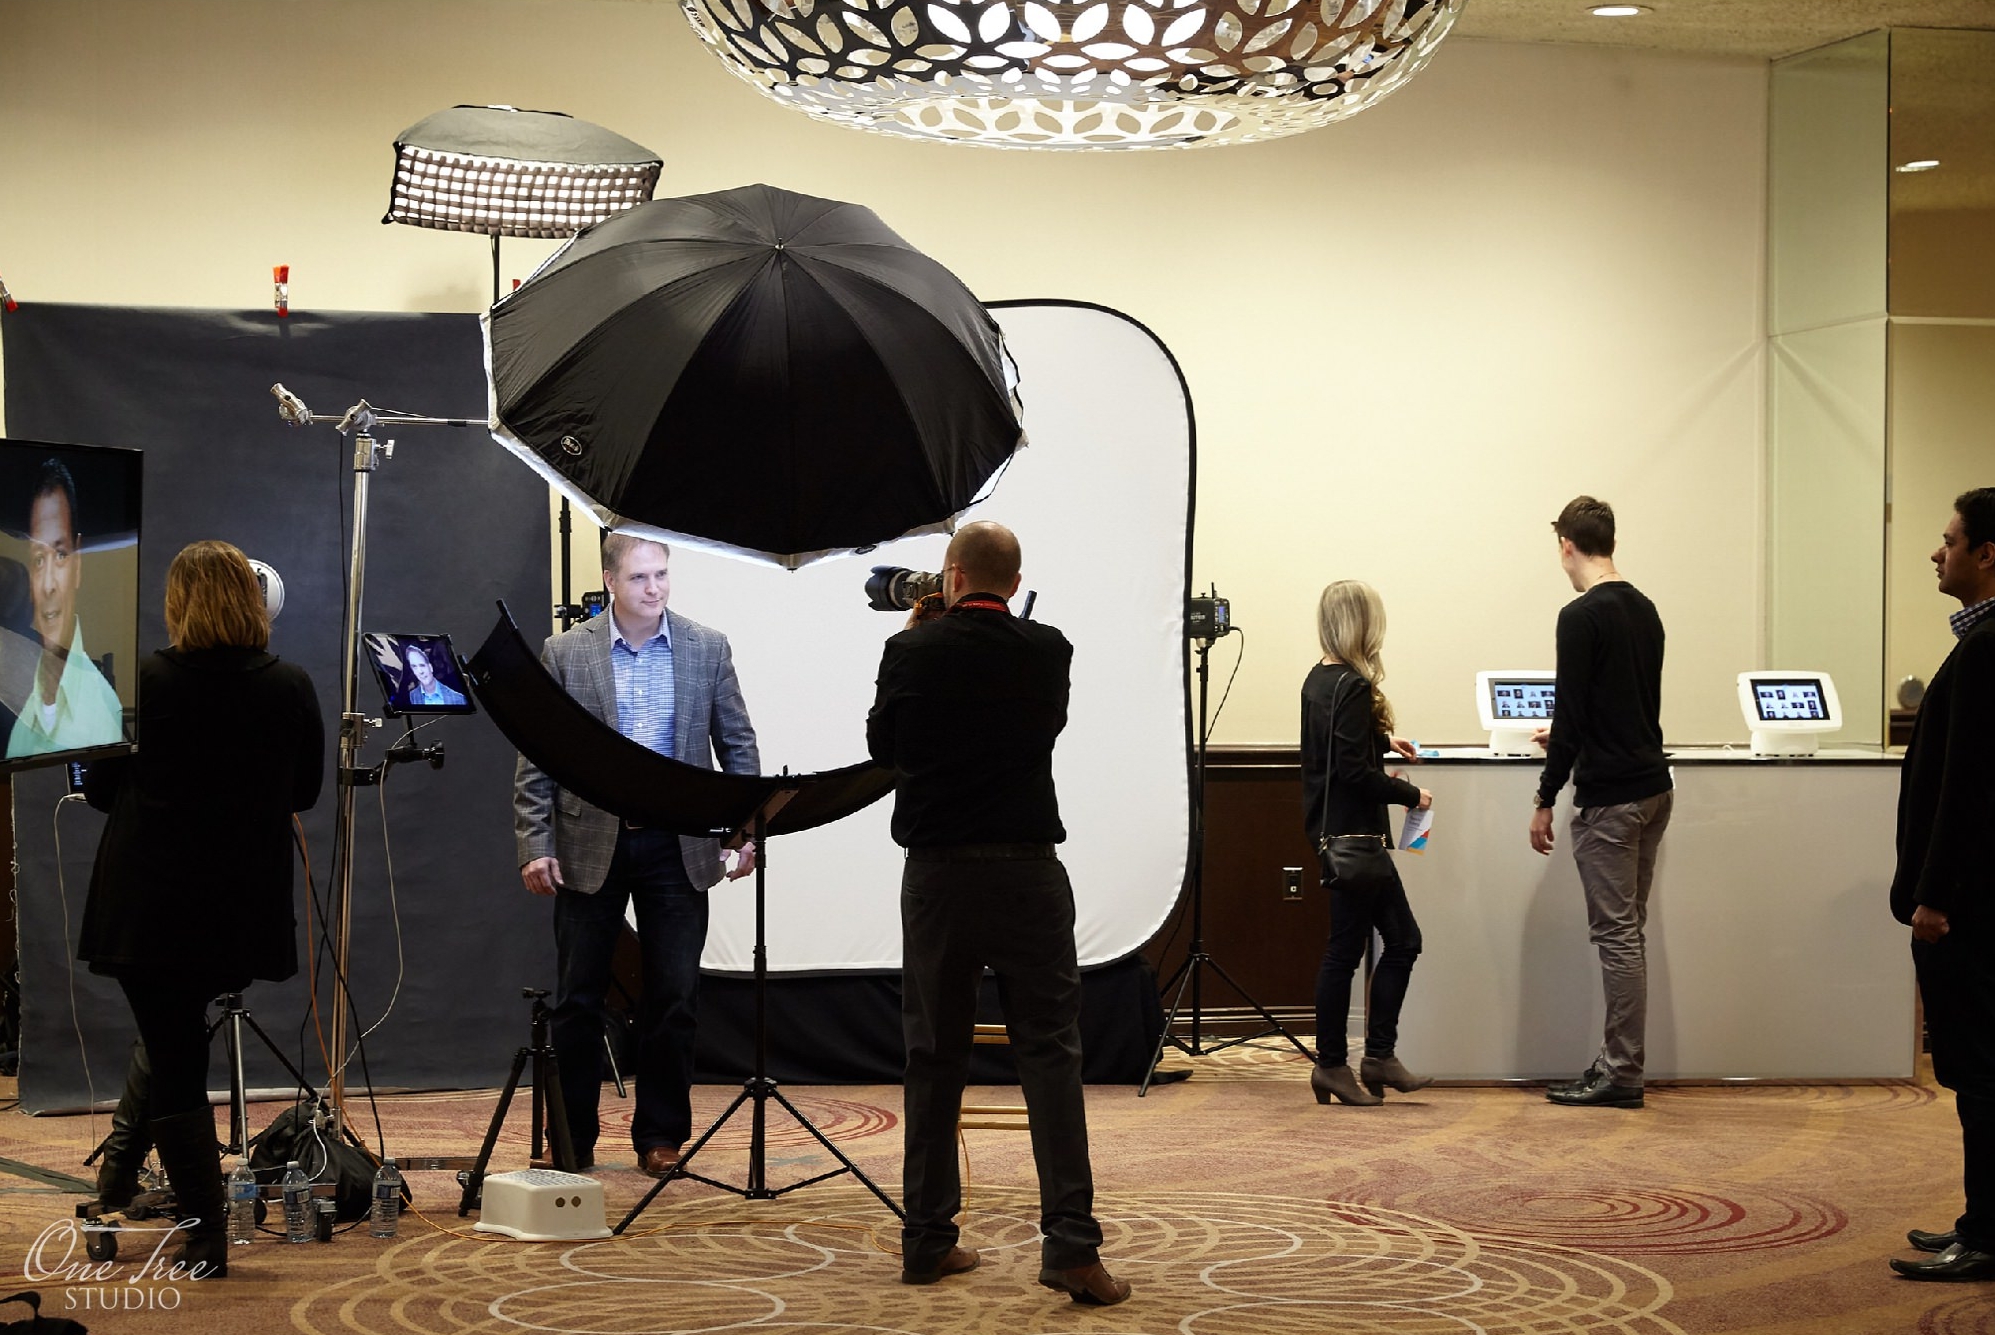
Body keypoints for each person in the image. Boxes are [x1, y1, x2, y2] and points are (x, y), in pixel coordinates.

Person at [866, 520, 1129, 1306]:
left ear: (948, 577)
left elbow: (888, 746)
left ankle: (925, 1240)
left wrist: (924, 631)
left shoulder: (911, 651)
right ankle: (1073, 1250)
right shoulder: (1048, 650)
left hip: (940, 877)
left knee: (933, 1056)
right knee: (1050, 1057)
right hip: (1027, 875)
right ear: (1012, 584)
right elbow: (1036, 727)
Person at [76, 540, 325, 1278]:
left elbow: (96, 790)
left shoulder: (141, 682)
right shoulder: (292, 684)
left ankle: (204, 1232)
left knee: (176, 1049)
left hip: (148, 906)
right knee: (176, 1034)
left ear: (179, 601)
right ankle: (123, 1178)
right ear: (253, 603)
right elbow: (304, 793)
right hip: (237, 907)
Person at [514, 535, 759, 1177]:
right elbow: (538, 756)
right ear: (611, 581)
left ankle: (660, 1136)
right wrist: (535, 843)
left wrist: (747, 829)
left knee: (674, 996)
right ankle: (572, 1137)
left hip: (679, 846)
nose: (655, 588)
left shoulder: (707, 647)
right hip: (589, 842)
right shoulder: (566, 653)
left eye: (662, 575)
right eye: (641, 577)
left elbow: (737, 745)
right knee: (577, 999)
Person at [1528, 496, 1672, 1109]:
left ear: (1566, 544)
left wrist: (1544, 796)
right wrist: (1566, 735)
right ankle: (1620, 1063)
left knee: (1616, 938)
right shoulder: (1646, 609)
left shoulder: (1579, 615)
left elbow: (1576, 709)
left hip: (1610, 800)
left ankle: (1621, 1074)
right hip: (1653, 788)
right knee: (1628, 934)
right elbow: (1626, 704)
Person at [1888, 487, 1995, 1282]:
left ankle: (1988, 1233)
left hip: (1970, 908)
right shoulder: (1980, 640)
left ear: (1985, 553)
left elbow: (1967, 791)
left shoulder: (1988, 647)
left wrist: (1933, 894)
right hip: (1973, 899)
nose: (1936, 551)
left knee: (1982, 1070)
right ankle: (1979, 1218)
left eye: (1949, 538)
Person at [1301, 580, 1434, 1107]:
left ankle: (1351, 1062)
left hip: (1332, 833)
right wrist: (1410, 794)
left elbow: (1339, 748)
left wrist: (1383, 741)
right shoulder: (1353, 685)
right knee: (1391, 944)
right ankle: (1354, 1060)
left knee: (1358, 948)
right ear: (1363, 624)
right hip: (1358, 839)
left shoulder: (1320, 679)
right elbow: (1354, 771)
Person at [7, 458, 124, 759]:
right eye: (38, 559)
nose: (47, 585)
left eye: (59, 555)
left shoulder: (100, 707)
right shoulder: (18, 693)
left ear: (78, 563)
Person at [401, 639, 467, 708]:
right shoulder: (412, 696)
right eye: (414, 667)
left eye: (422, 665)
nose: (420, 671)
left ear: (430, 667)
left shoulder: (458, 699)